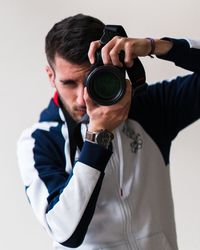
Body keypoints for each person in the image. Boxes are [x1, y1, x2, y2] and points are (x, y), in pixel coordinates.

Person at [17, 13, 200, 250]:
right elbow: (65, 231)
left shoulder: (151, 108)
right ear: (51, 77)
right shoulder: (39, 140)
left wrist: (155, 46)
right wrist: (97, 136)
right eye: (69, 83)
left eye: (92, 80)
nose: (83, 97)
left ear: (117, 67)